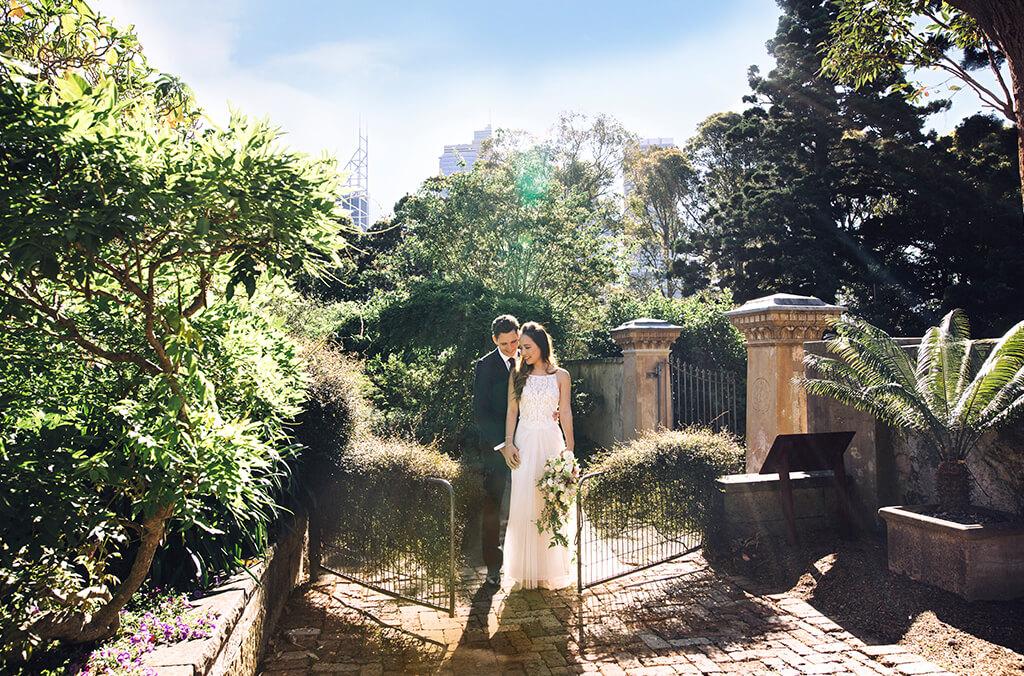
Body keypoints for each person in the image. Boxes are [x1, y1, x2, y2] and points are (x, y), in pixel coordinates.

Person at [502, 321, 575, 590]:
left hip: (551, 442)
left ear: (542, 345)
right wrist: (509, 444)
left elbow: (565, 412)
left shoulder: (561, 376)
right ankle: (523, 569)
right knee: (524, 503)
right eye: (520, 348)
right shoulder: (517, 374)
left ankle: (549, 569)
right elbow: (512, 412)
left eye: (527, 347)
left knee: (550, 503)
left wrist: (570, 449)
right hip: (524, 440)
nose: (523, 353)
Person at [472, 315, 521, 588]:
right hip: (495, 451)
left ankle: (525, 563)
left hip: (527, 443)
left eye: (514, 341)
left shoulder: (529, 359)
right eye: (504, 344)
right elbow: (480, 413)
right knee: (493, 508)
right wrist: (502, 446)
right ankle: (492, 567)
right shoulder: (485, 366)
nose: (511, 348)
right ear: (494, 340)